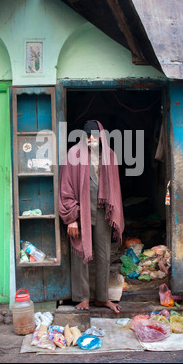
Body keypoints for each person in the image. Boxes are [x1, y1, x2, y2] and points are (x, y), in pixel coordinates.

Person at [59, 120, 124, 313]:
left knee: (104, 254)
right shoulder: (73, 154)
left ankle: (102, 298)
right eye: (88, 136)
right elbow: (66, 187)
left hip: (103, 212)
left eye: (95, 136)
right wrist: (72, 218)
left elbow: (115, 189)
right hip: (81, 212)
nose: (91, 140)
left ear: (101, 136)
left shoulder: (110, 155)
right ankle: (83, 297)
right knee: (80, 253)